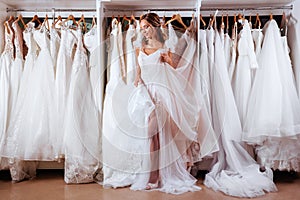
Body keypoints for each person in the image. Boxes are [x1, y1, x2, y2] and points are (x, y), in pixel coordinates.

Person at [131, 12, 207, 193]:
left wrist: (168, 61)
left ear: (155, 27)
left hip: (161, 94)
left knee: (154, 133)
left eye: (147, 27)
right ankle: (154, 175)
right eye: (142, 28)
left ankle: (156, 176)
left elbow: (172, 69)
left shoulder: (164, 47)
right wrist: (137, 82)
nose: (144, 31)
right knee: (152, 135)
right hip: (145, 94)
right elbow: (138, 73)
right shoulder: (138, 48)